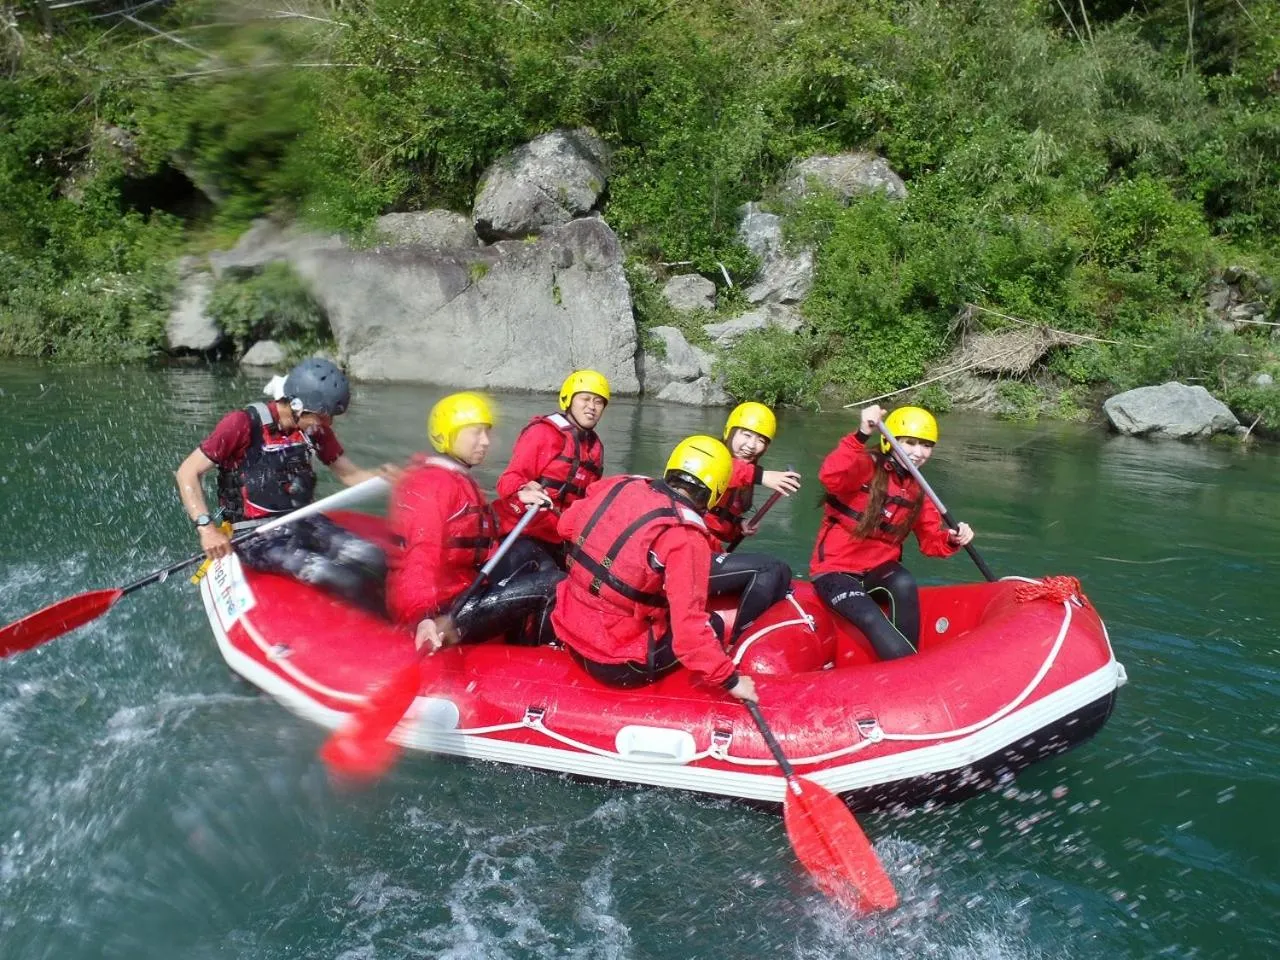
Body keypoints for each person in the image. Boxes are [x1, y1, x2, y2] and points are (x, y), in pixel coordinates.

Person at [550, 435, 759, 703]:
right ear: (717, 490)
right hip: (617, 663)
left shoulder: (618, 486)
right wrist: (732, 680)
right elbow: (690, 636)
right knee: (715, 623)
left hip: (569, 631)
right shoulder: (686, 536)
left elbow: (564, 526)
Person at [175, 357, 391, 610]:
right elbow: (187, 472)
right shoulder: (242, 424)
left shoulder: (314, 427)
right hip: (254, 535)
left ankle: (394, 618)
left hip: (305, 519)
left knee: (373, 557)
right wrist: (207, 529)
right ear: (297, 405)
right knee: (339, 576)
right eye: (323, 416)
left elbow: (350, 475)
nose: (327, 424)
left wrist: (385, 478)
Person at [386, 391, 557, 653]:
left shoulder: (454, 476)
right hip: (447, 611)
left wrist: (518, 501)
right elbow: (420, 552)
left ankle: (523, 635)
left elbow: (482, 525)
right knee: (555, 584)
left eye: (487, 432)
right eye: (476, 432)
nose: (485, 441)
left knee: (530, 551)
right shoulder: (434, 486)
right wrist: (421, 616)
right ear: (448, 434)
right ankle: (536, 657)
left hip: (465, 584)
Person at [809, 404, 975, 660]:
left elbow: (931, 542)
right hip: (835, 571)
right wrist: (862, 432)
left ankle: (906, 665)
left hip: (879, 572)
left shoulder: (919, 489)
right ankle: (911, 671)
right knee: (869, 615)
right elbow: (831, 476)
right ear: (889, 441)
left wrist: (952, 539)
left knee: (904, 580)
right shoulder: (865, 465)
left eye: (926, 445)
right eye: (909, 443)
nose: (918, 453)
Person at [703, 402, 800, 642]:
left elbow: (718, 517)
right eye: (745, 435)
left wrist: (737, 526)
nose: (751, 445)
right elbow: (723, 470)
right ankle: (738, 642)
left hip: (711, 551)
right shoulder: (708, 453)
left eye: (760, 440)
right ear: (730, 432)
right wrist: (762, 476)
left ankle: (760, 636)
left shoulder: (745, 472)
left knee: (782, 571)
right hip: (687, 555)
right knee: (769, 567)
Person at [494, 369, 609, 563]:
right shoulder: (544, 433)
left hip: (561, 539)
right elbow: (506, 481)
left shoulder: (595, 447)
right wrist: (524, 487)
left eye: (598, 402)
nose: (592, 407)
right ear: (568, 400)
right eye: (585, 399)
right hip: (525, 531)